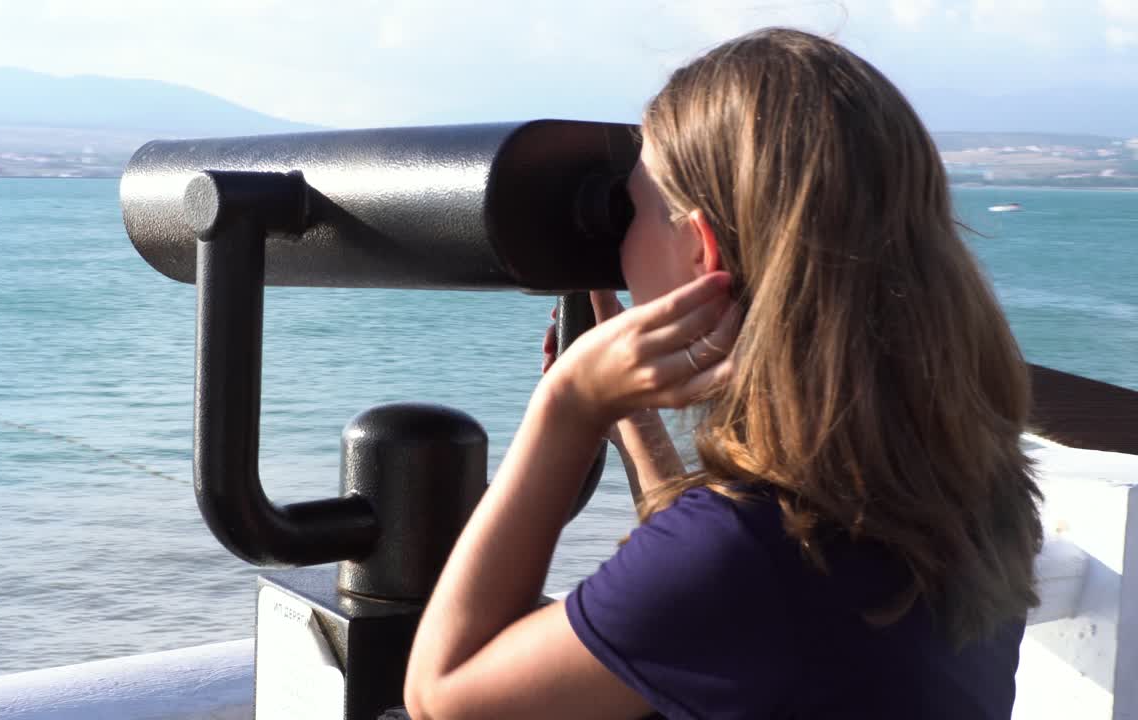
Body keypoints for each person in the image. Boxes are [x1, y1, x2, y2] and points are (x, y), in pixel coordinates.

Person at [404, 27, 1042, 720]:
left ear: (702, 248)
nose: (617, 240)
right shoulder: (974, 492)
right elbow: (730, 592)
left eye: (632, 208)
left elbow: (446, 694)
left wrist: (568, 407)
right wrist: (635, 427)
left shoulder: (742, 555)